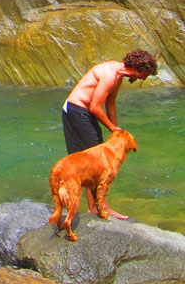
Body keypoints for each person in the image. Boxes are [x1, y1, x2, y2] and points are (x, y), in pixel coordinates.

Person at [61, 48, 157, 219]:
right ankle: (99, 207)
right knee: (94, 161)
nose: (144, 78)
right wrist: (112, 129)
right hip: (76, 111)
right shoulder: (110, 75)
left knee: (91, 160)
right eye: (145, 75)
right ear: (138, 69)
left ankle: (94, 207)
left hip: (83, 113)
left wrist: (117, 128)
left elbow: (110, 103)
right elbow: (95, 107)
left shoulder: (118, 75)